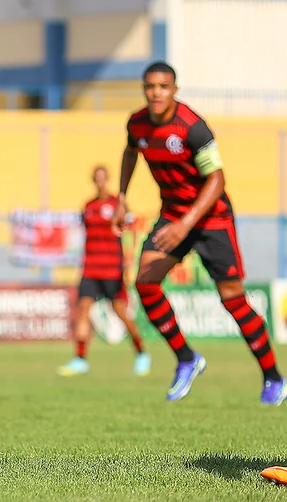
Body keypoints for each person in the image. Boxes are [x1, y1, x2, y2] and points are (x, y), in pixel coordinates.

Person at [112, 61, 285, 404]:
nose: (156, 93)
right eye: (150, 86)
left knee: (233, 299)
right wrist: (121, 197)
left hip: (212, 218)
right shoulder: (137, 123)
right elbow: (131, 151)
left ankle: (273, 378)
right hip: (174, 215)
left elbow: (217, 180)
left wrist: (185, 226)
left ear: (175, 90)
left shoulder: (193, 128)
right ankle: (187, 359)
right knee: (145, 282)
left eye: (163, 86)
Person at [58, 165, 149, 377]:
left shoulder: (117, 204)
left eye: (103, 178)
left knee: (120, 311)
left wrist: (130, 256)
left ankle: (141, 353)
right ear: (93, 181)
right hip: (90, 268)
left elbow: (133, 228)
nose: (100, 182)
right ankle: (80, 359)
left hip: (111, 269)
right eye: (96, 178)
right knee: (83, 309)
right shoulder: (88, 206)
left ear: (107, 180)